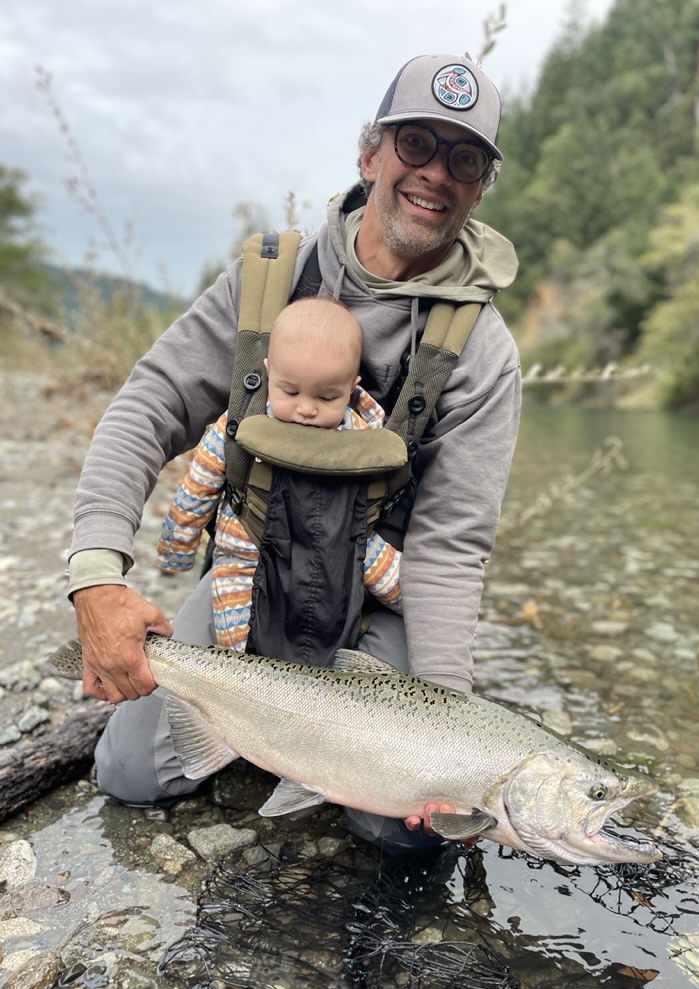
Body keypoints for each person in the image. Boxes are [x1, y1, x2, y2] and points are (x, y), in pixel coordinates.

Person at [67, 53, 522, 850]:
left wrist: (450, 733)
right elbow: (146, 408)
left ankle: (306, 751)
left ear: (481, 186)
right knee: (130, 776)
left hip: (374, 604)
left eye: (465, 158)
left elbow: (450, 550)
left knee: (411, 833)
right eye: (416, 143)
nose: (436, 174)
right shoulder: (266, 282)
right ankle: (261, 730)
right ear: (370, 154)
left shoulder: (481, 352)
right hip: (254, 578)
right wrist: (97, 580)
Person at [156, 295, 401, 652]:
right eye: (290, 391)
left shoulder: (363, 437)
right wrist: (178, 547)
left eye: (327, 397)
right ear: (269, 370)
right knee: (239, 640)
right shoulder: (238, 426)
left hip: (343, 544)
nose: (305, 409)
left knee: (402, 589)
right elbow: (199, 487)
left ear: (352, 388)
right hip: (248, 552)